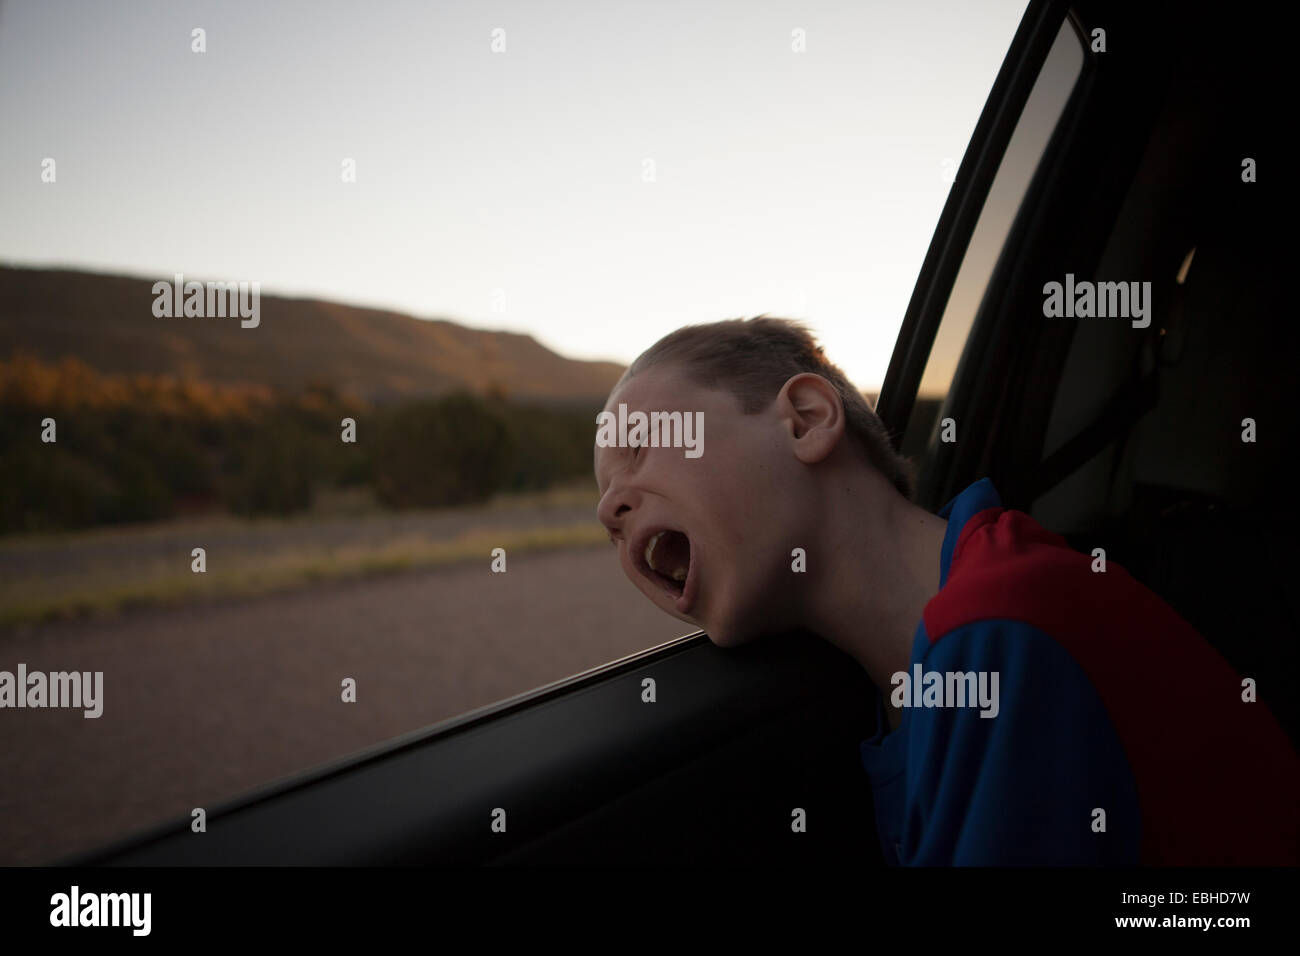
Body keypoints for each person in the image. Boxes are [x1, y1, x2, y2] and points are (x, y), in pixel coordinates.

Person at [593, 315, 1298, 865]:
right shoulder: (923, 669)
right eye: (606, 508)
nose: (608, 513)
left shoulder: (1001, 633)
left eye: (643, 444)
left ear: (805, 419)